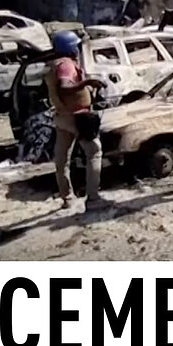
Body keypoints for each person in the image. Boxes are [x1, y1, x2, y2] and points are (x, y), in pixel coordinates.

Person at [45, 30, 107, 211]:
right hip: (76, 117)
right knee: (94, 152)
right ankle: (93, 199)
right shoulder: (66, 65)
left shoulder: (54, 64)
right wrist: (87, 83)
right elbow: (65, 86)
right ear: (71, 47)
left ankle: (67, 198)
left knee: (62, 160)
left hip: (62, 117)